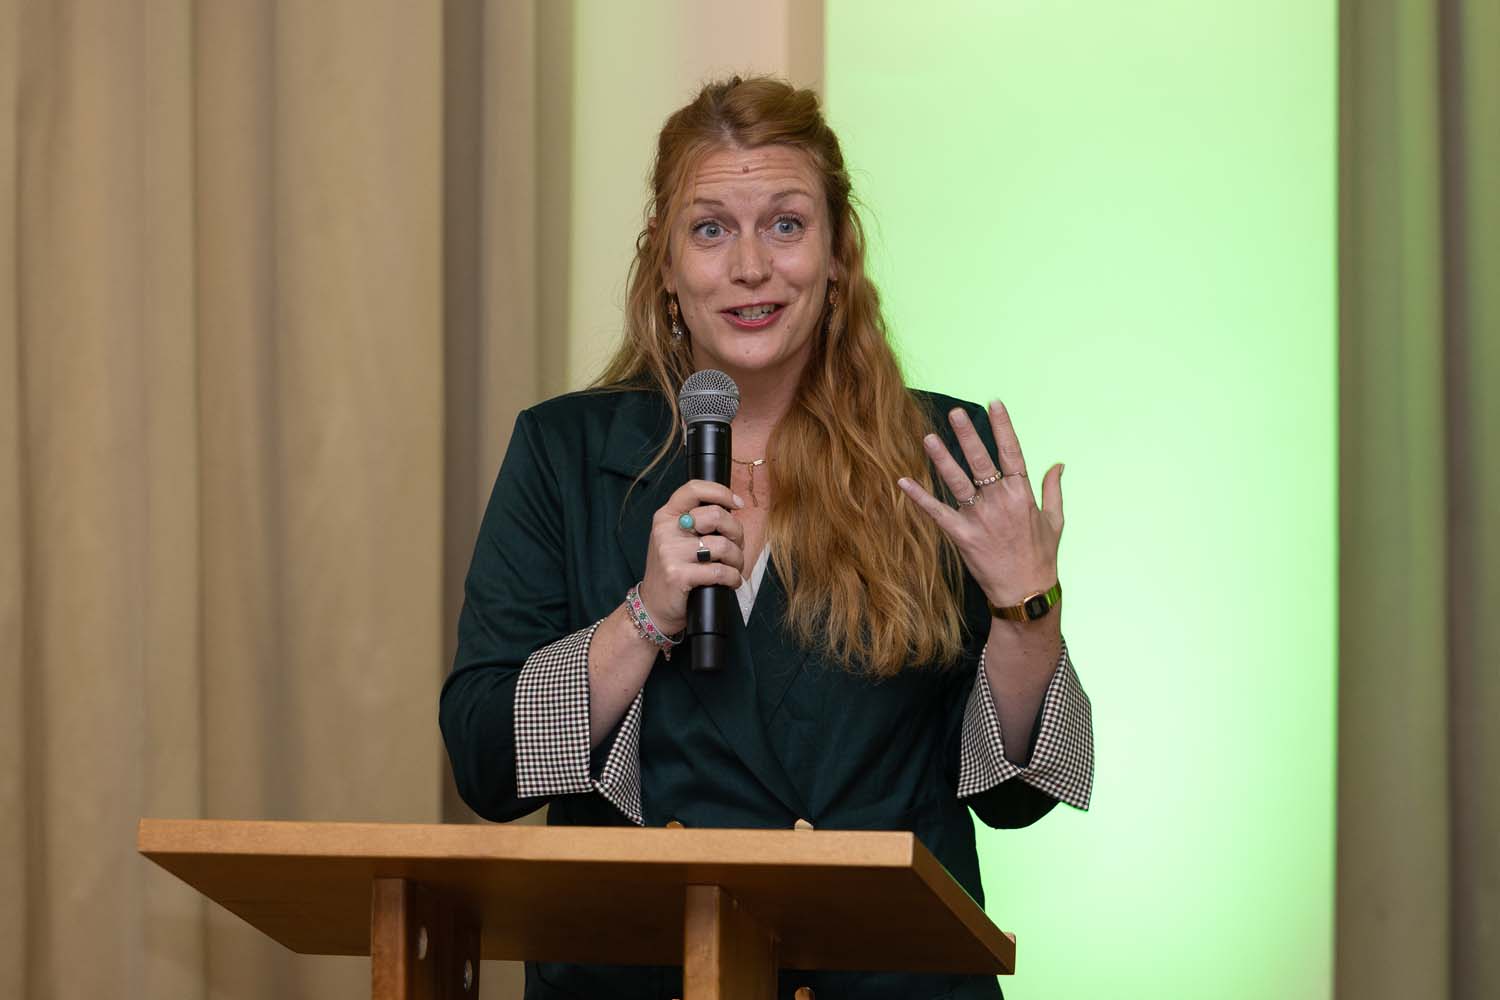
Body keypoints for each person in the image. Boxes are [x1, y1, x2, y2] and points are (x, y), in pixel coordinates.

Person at [440, 76, 1093, 1000]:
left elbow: (1013, 796)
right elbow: (485, 762)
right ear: (665, 264)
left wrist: (1028, 613)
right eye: (711, 230)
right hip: (642, 976)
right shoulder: (563, 453)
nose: (750, 267)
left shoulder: (940, 456)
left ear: (837, 256)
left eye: (786, 224)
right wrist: (644, 616)